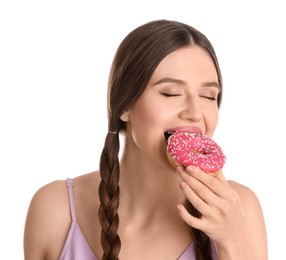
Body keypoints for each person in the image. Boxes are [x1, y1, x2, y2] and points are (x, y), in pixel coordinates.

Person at [23, 19, 268, 260]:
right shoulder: (57, 210)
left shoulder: (240, 208)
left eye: (208, 96)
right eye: (170, 93)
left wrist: (233, 239)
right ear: (124, 106)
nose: (195, 113)